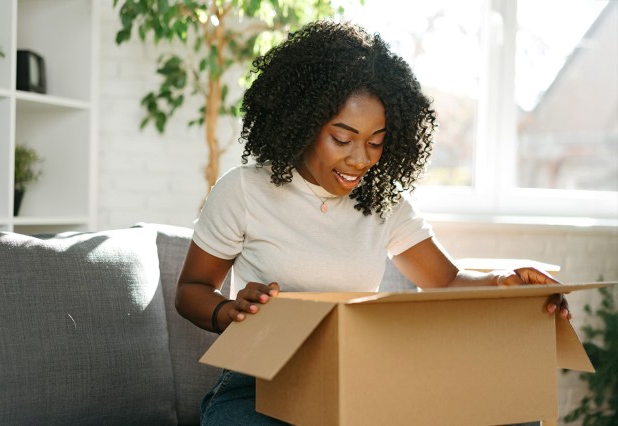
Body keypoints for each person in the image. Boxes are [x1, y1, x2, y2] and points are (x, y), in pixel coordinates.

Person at [175, 20, 569, 425]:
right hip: (258, 382)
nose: (361, 159)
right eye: (342, 140)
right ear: (302, 124)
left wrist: (503, 282)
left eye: (376, 142)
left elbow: (446, 281)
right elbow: (192, 289)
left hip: (354, 378)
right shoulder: (245, 189)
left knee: (510, 415)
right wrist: (228, 311)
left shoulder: (383, 202)